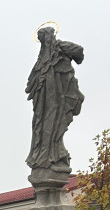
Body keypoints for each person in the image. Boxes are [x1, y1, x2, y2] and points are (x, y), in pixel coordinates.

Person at [26, 26, 85, 175]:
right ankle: (41, 156)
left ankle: (52, 155)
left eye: (45, 37)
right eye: (41, 39)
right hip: (43, 102)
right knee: (40, 125)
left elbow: (79, 52)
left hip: (58, 99)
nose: (44, 41)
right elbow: (32, 84)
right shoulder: (41, 59)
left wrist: (62, 46)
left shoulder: (59, 48)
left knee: (53, 124)